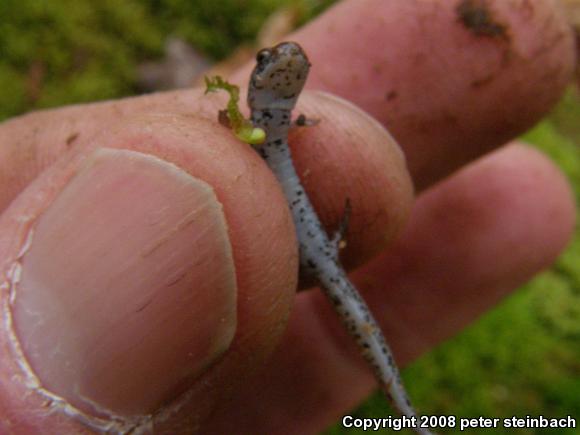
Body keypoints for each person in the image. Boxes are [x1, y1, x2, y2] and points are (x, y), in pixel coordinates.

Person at [0, 1, 576, 433]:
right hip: (312, 243)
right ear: (259, 86)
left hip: (319, 246)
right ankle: (403, 410)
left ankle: (403, 410)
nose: (288, 65)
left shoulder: (278, 122)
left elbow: (278, 133)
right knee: (343, 299)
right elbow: (257, 138)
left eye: (288, 69)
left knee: (353, 307)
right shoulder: (258, 122)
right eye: (276, 65)